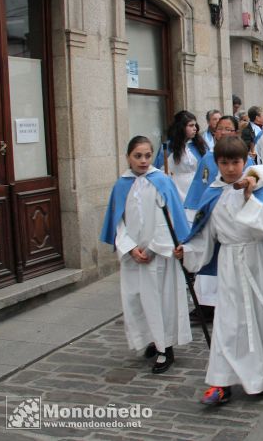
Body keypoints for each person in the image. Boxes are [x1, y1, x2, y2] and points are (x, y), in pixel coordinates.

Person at [175, 137, 263, 405]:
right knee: (228, 322)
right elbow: (206, 234)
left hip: (260, 260)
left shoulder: (257, 189)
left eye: (236, 162)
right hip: (230, 262)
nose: (230, 168)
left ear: (245, 161)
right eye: (224, 163)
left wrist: (249, 199)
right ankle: (220, 381)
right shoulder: (212, 193)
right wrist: (188, 251)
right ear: (216, 164)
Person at [100, 136, 192, 374]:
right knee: (137, 301)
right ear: (128, 157)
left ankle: (166, 347)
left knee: (161, 301)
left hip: (158, 255)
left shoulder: (161, 181)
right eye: (137, 156)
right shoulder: (122, 184)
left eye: (147, 156)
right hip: (133, 256)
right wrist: (130, 248)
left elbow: (168, 220)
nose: (142, 161)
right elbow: (118, 222)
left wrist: (152, 249)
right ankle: (151, 339)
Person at [183, 115, 245, 324]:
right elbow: (201, 187)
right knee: (207, 263)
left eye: (229, 129)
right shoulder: (208, 158)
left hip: (237, 230)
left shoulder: (246, 159)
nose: (223, 133)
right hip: (212, 219)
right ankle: (206, 304)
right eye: (220, 129)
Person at [154, 110, 208, 204]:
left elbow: (206, 168)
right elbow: (158, 170)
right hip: (176, 189)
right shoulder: (168, 148)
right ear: (181, 127)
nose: (195, 128)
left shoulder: (199, 146)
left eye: (195, 125)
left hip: (196, 188)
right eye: (191, 125)